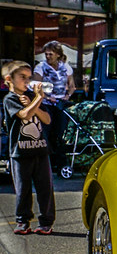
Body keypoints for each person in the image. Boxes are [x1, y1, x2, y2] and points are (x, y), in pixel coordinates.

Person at [2, 60, 55, 235]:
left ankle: (46, 222)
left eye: (29, 77)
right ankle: (23, 221)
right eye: (22, 77)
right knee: (23, 190)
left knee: (45, 189)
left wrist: (36, 100)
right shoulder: (9, 99)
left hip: (40, 151)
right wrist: (36, 100)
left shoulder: (32, 97)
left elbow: (47, 119)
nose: (27, 81)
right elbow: (24, 115)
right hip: (20, 153)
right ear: (9, 79)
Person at [33, 40, 75, 172]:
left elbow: (72, 85)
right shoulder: (41, 67)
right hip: (46, 103)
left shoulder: (66, 67)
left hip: (60, 103)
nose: (48, 57)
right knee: (46, 132)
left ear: (57, 54)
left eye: (50, 54)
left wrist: (67, 96)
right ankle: (47, 163)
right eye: (46, 54)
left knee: (60, 132)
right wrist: (46, 97)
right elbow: (35, 85)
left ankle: (60, 162)